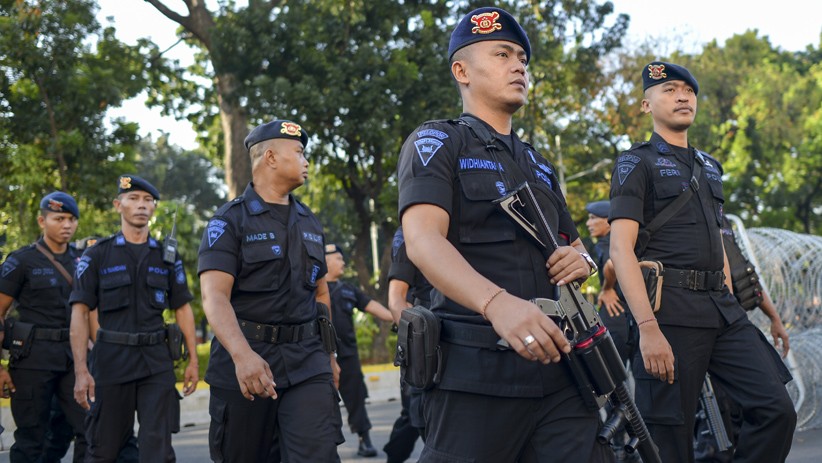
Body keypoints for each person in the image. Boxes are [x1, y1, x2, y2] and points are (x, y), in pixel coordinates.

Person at [397, 7, 612, 462]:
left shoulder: (538, 162)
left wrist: (584, 263)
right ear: (462, 71)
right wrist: (497, 304)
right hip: (476, 375)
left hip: (562, 372)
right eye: (502, 54)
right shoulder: (438, 142)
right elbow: (422, 241)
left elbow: (574, 249)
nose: (518, 66)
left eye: (522, 58)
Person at [608, 61, 796, 463]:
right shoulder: (634, 163)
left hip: (721, 310)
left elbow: (717, 241)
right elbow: (621, 249)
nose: (682, 97)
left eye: (688, 91)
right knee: (670, 440)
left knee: (776, 408)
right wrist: (647, 329)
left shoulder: (710, 166)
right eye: (669, 90)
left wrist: (733, 300)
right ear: (646, 105)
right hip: (670, 312)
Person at [197, 119, 344, 462]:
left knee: (318, 454)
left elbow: (321, 295)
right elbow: (214, 297)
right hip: (248, 363)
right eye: (300, 152)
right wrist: (242, 355)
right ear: (271, 158)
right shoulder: (229, 221)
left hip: (307, 362)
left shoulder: (310, 221)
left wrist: (330, 356)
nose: (307, 160)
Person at [70, 175, 199, 463]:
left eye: (148, 200)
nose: (142, 205)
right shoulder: (97, 254)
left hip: (156, 360)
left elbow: (182, 308)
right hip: (111, 359)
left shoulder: (167, 256)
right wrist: (81, 370)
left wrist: (192, 359)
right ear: (119, 205)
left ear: (154, 208)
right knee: (103, 448)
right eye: (134, 199)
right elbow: (79, 311)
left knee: (159, 450)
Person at [693, 215, 791, 462]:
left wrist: (775, 318)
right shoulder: (689, 216)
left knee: (764, 410)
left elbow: (746, 275)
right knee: (716, 419)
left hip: (734, 323)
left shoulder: (722, 220)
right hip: (706, 327)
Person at [0, 191, 88, 462]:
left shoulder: (82, 260)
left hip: (73, 358)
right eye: (59, 218)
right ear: (42, 220)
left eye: (72, 219)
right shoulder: (21, 260)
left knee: (90, 428)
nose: (67, 225)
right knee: (31, 439)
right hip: (32, 361)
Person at [324, 243, 393, 457]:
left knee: (356, 399)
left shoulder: (348, 289)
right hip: (322, 356)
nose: (343, 262)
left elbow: (374, 307)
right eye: (338, 258)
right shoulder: (312, 290)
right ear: (324, 260)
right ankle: (327, 447)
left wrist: (399, 316)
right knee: (323, 403)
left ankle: (365, 440)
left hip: (348, 356)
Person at [382, 226, 432, 463]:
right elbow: (395, 301)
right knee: (417, 415)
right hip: (424, 342)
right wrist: (418, 341)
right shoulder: (409, 233)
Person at [586, 200, 632, 365]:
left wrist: (607, 288)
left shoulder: (607, 243)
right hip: (631, 315)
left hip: (615, 315)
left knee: (611, 377)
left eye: (592, 218)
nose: (588, 223)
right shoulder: (627, 241)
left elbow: (612, 264)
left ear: (608, 221)